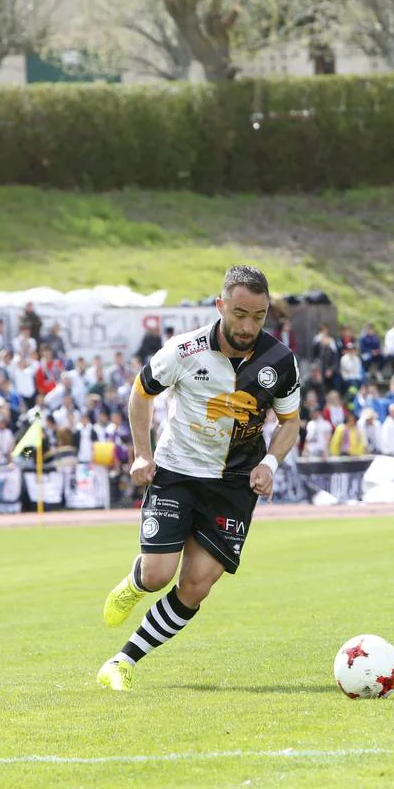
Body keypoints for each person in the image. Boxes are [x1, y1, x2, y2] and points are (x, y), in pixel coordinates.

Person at [95, 266, 301, 692]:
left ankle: (121, 662)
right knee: (157, 575)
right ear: (221, 305)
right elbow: (141, 392)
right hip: (177, 473)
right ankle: (134, 584)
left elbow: (290, 422)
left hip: (233, 485)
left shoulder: (279, 360)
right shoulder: (184, 350)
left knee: (196, 585)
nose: (248, 326)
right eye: (240, 313)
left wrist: (271, 464)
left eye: (259, 316)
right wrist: (141, 454)